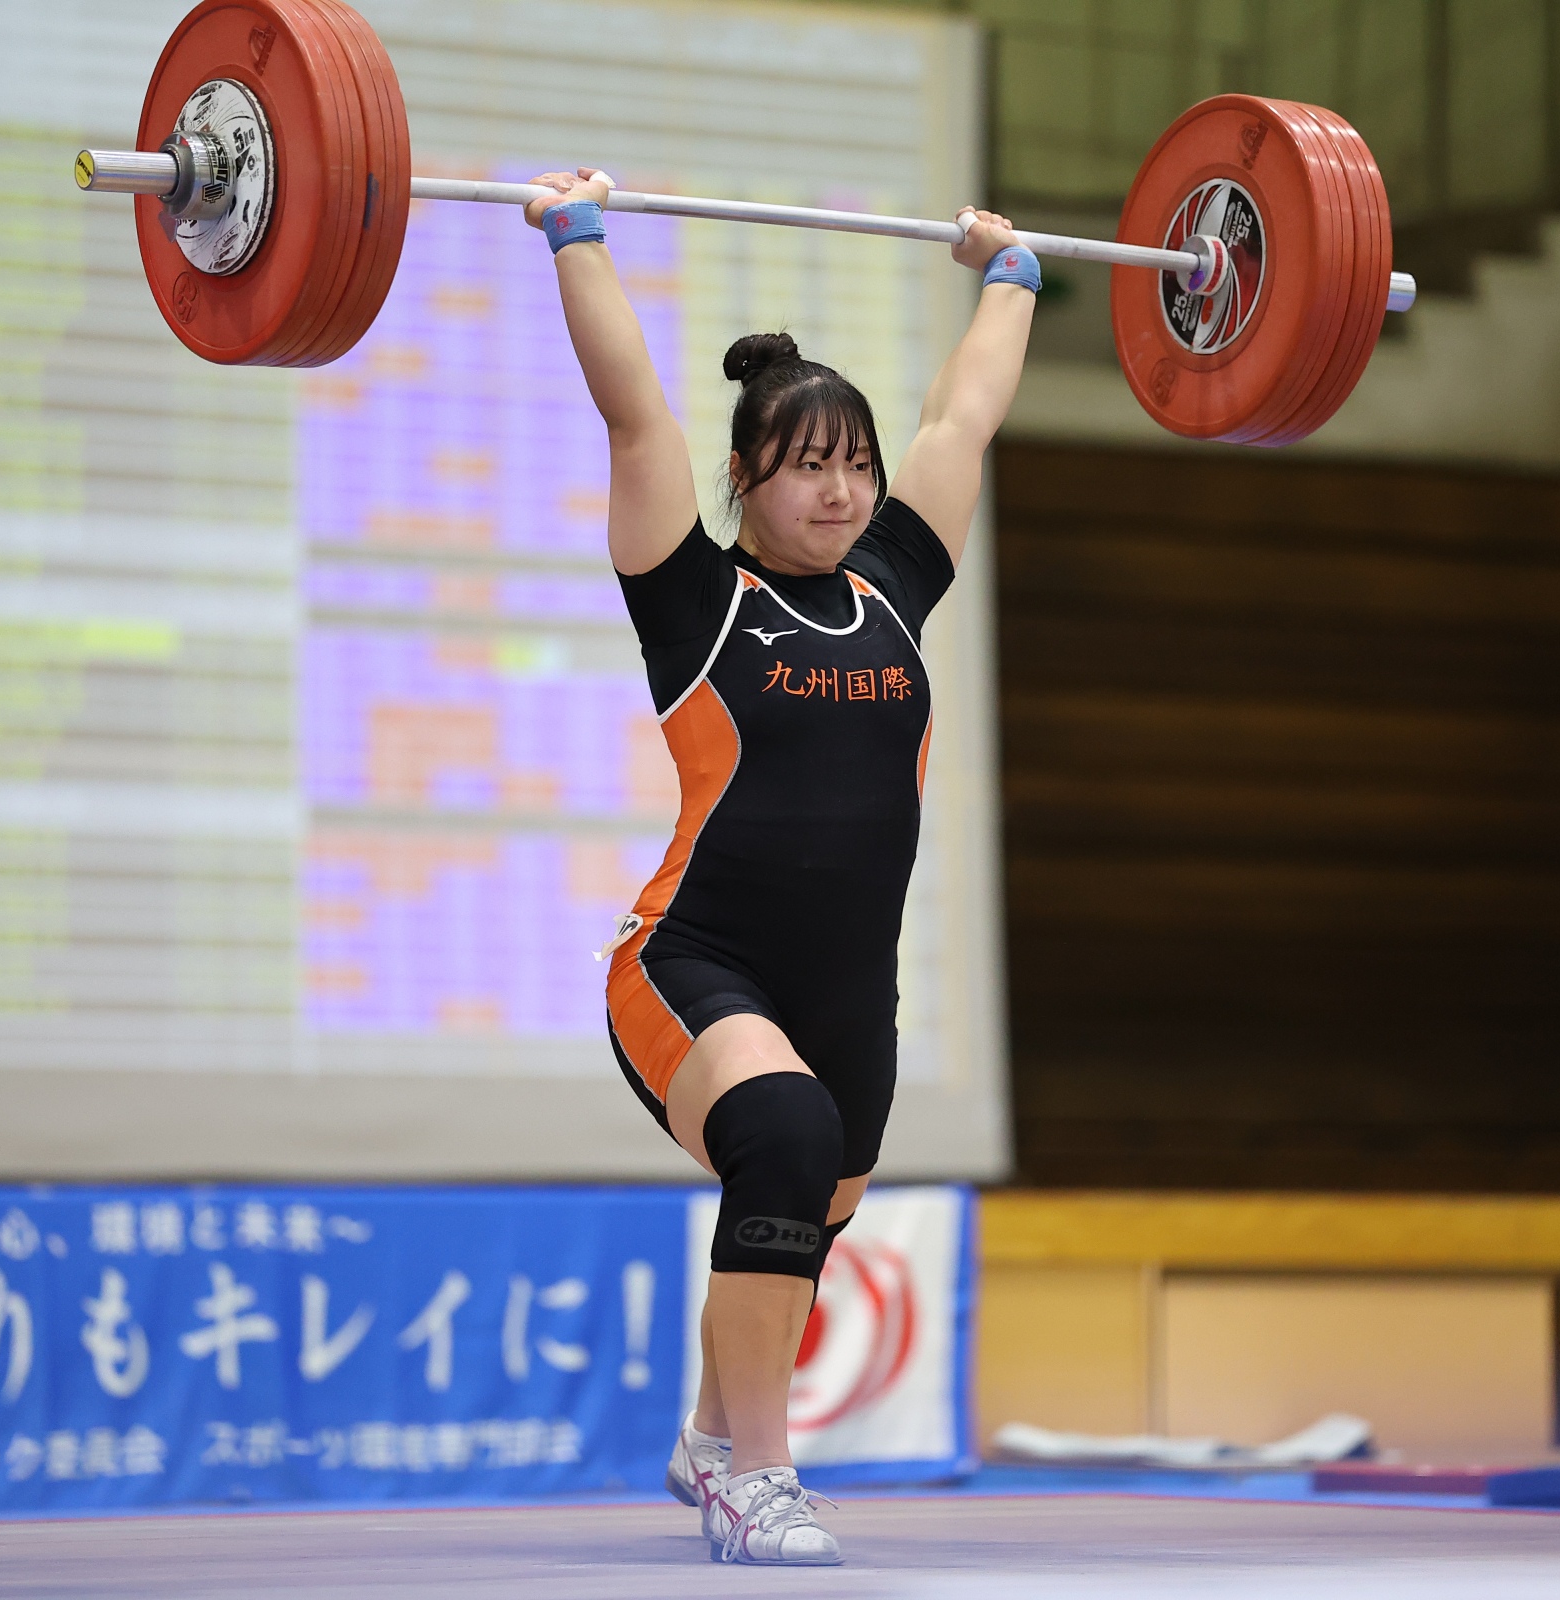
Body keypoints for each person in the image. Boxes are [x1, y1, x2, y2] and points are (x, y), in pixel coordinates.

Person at [527, 167, 1037, 1565]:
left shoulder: (896, 587)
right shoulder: (695, 599)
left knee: (804, 1203)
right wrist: (578, 239)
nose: (843, 487)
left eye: (854, 463)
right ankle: (759, 1478)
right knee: (787, 1138)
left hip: (843, 991)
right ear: (745, 479)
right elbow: (637, 416)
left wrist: (1011, 278)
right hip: (689, 963)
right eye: (809, 464)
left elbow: (962, 420)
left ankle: (709, 1435)